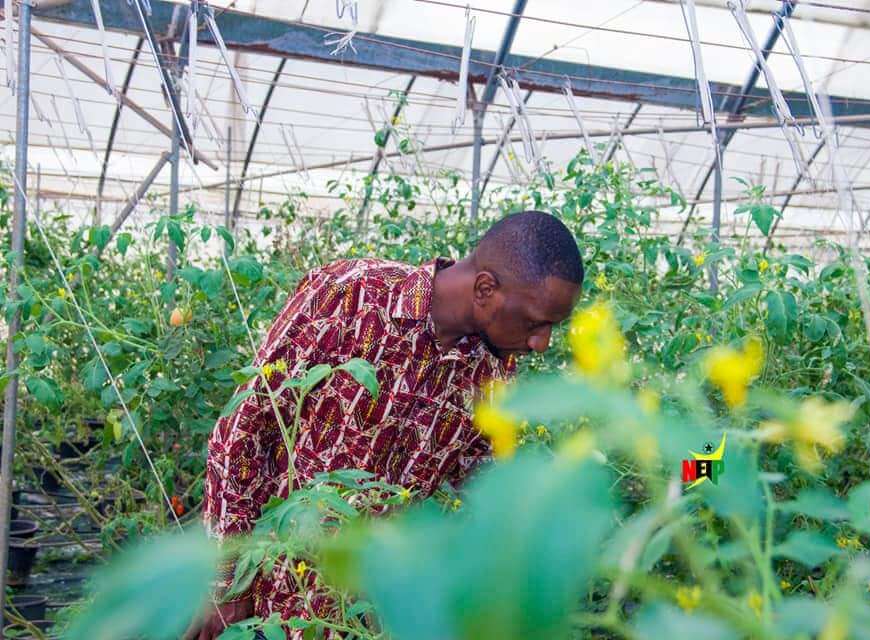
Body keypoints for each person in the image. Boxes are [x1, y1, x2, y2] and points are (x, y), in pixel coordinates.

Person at [192, 211, 583, 639]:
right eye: (534, 322)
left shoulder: (493, 376)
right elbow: (243, 430)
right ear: (485, 288)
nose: (541, 343)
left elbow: (472, 496)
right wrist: (227, 580)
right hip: (268, 600)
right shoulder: (349, 296)